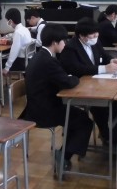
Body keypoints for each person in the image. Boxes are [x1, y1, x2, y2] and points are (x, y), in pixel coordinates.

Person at [23, 24, 93, 173]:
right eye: (63, 41)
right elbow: (67, 82)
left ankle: (64, 153)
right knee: (84, 121)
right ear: (55, 42)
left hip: (37, 106)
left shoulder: (40, 56)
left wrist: (67, 77)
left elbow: (60, 78)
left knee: (77, 117)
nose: (65, 44)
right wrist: (74, 77)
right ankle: (64, 156)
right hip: (44, 111)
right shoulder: (48, 61)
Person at [59, 17, 117, 144]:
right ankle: (107, 134)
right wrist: (103, 69)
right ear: (82, 36)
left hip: (97, 84)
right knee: (101, 105)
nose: (96, 36)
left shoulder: (95, 42)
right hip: (80, 88)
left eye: (97, 33)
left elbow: (104, 56)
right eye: (92, 34)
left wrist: (112, 60)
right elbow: (77, 69)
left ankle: (112, 132)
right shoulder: (70, 48)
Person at [2, 8, 32, 77]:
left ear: (11, 21)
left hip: (21, 62)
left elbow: (14, 51)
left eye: (7, 21)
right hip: (28, 59)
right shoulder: (25, 29)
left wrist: (7, 68)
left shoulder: (18, 32)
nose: (8, 23)